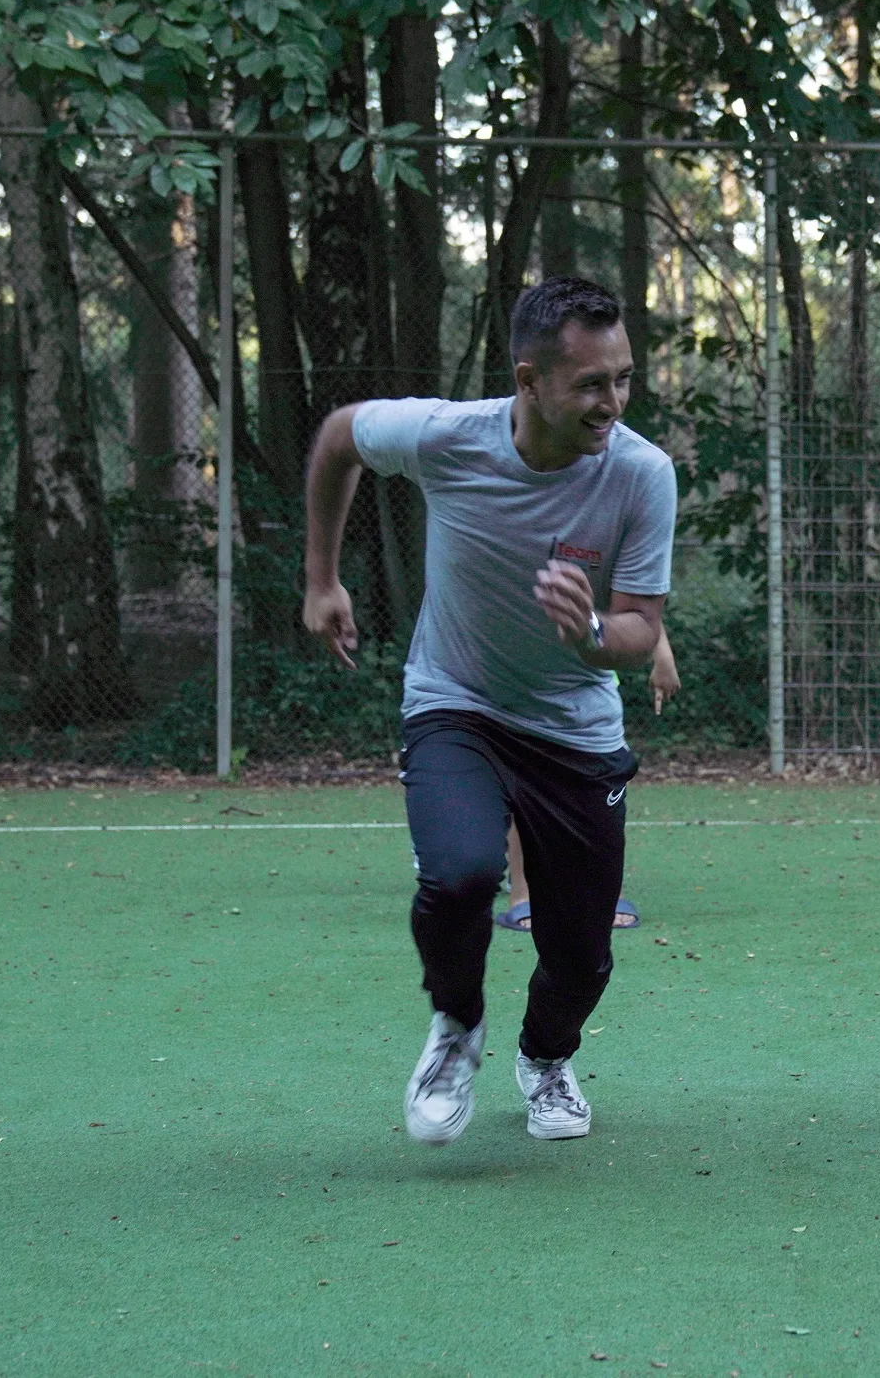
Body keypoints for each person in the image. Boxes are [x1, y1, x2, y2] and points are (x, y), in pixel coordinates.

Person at [301, 275, 676, 1147]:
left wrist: (585, 632)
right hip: (456, 703)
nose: (611, 403)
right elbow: (336, 438)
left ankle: (545, 1058)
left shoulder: (641, 474)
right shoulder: (447, 438)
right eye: (590, 384)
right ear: (529, 379)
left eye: (622, 378)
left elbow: (638, 628)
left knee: (580, 953)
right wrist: (322, 580)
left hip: (575, 729)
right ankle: (455, 1028)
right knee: (462, 875)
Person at [499, 631, 679, 932]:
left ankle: (607, 892)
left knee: (600, 786)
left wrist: (663, 655)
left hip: (592, 679)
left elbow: (636, 601)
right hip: (521, 675)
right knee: (525, 779)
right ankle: (523, 893)